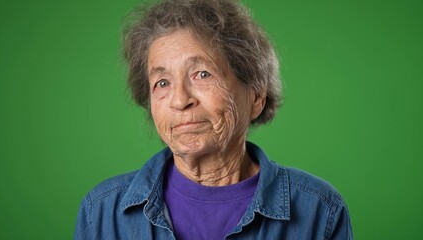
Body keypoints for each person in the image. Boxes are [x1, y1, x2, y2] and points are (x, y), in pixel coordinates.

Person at [74, 0, 353, 239]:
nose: (180, 100)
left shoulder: (320, 210)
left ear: (256, 96)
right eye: (162, 82)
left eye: (202, 74)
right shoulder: (101, 212)